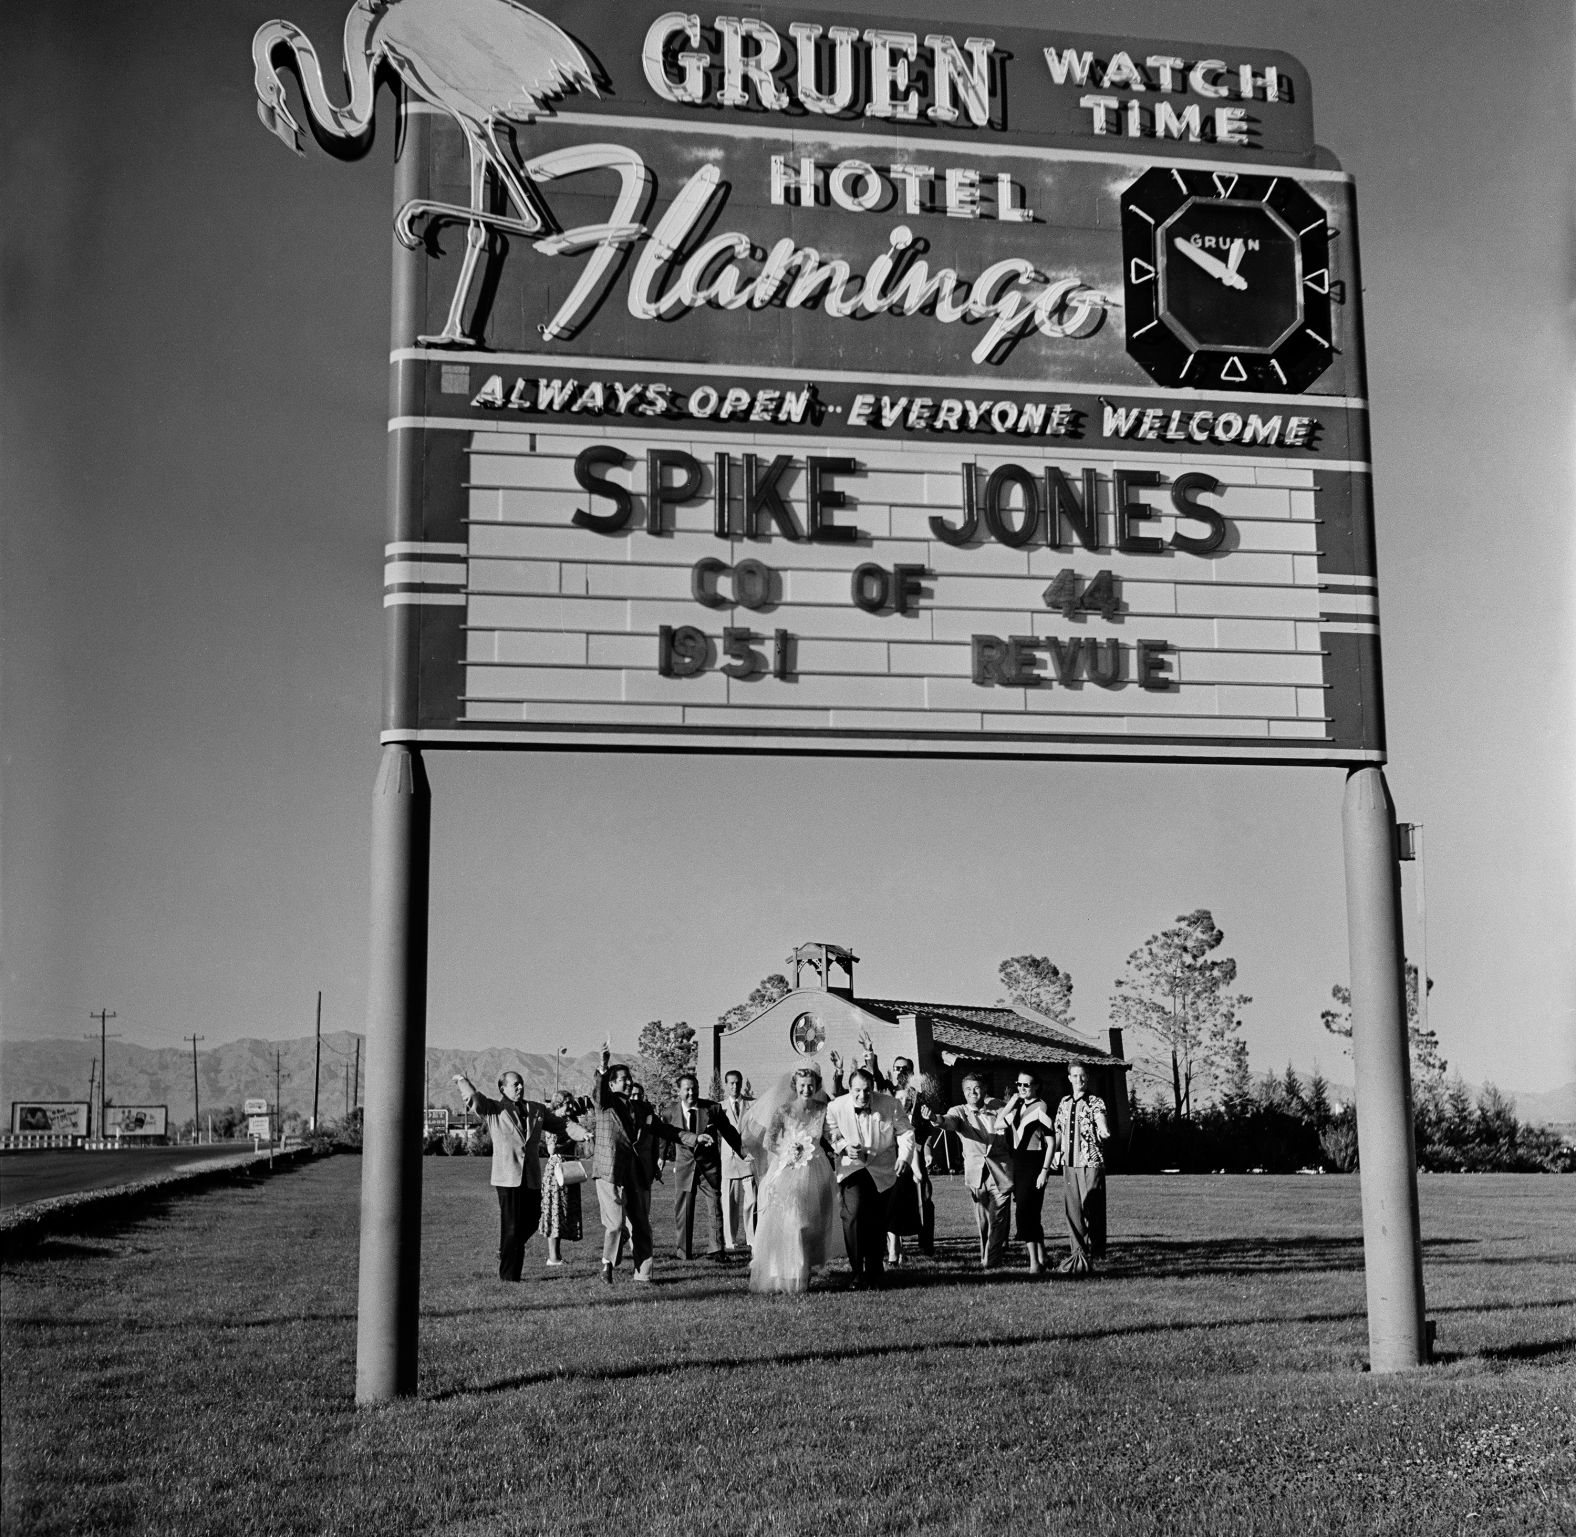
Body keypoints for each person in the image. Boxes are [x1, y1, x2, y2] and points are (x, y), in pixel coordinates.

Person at [452, 1070, 586, 1282]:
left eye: (521, 1083)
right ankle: (509, 1278)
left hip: (530, 1176)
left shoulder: (537, 1109)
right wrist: (462, 1081)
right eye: (515, 1084)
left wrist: (583, 1134)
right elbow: (474, 1099)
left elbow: (563, 1124)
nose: (520, 1087)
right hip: (507, 1177)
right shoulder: (494, 1109)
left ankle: (507, 1248)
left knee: (533, 1218)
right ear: (502, 1088)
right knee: (512, 1225)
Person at [590, 1046, 696, 1285]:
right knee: (616, 1223)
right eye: (622, 1080)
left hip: (635, 1174)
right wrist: (603, 1065)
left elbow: (665, 1130)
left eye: (629, 1078)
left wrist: (694, 1138)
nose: (628, 1083)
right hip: (610, 1173)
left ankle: (643, 1275)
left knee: (641, 1225)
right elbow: (598, 1091)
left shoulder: (642, 1109)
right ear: (611, 1084)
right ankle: (607, 1264)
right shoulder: (605, 1105)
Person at [738, 1065, 838, 1292]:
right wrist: (789, 1150)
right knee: (794, 1221)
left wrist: (846, 1147)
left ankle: (806, 1270)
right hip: (789, 1168)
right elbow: (769, 1141)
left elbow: (833, 1136)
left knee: (814, 1223)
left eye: (811, 1084)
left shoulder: (823, 1109)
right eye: (802, 1085)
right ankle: (790, 1273)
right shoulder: (784, 1110)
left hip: (818, 1171)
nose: (807, 1089)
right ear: (795, 1086)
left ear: (817, 1085)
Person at [824, 1067, 914, 1289]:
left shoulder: (890, 1104)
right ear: (849, 1088)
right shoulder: (835, 1107)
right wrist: (844, 1147)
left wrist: (904, 1157)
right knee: (852, 1215)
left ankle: (874, 1269)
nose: (862, 1096)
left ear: (873, 1088)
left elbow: (905, 1132)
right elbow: (830, 1132)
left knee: (876, 1220)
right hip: (851, 1169)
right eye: (857, 1091)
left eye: (866, 1090)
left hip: (882, 1170)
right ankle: (857, 1272)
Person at [662, 1073, 741, 1260]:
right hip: (684, 1167)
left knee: (715, 1207)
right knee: (683, 1210)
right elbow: (664, 1138)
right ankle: (683, 1252)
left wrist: (743, 1152)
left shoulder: (712, 1109)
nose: (691, 1092)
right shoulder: (669, 1113)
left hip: (709, 1167)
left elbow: (729, 1132)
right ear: (679, 1091)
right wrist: (660, 1158)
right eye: (687, 1089)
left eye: (694, 1088)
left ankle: (716, 1250)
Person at [943, 1073, 1013, 1270]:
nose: (972, 1092)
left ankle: (992, 1260)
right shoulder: (959, 1111)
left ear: (984, 1089)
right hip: (976, 1173)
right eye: (968, 1089)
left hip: (1000, 1169)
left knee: (998, 1217)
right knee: (983, 1220)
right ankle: (987, 1255)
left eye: (976, 1088)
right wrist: (934, 1119)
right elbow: (948, 1121)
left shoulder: (998, 1106)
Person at [1053, 1063, 1111, 1275]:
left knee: (1093, 1207)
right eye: (1075, 1076)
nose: (1079, 1080)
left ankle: (1098, 1251)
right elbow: (1058, 1131)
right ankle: (1077, 1250)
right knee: (1073, 1208)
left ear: (1088, 1078)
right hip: (1069, 1162)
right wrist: (1053, 1154)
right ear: (1069, 1078)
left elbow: (1100, 1119)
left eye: (1083, 1076)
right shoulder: (1064, 1102)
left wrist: (1104, 1130)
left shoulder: (1095, 1101)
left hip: (1090, 1162)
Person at [999, 1069, 1057, 1275]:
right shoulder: (1018, 1107)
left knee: (1026, 1212)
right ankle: (1043, 1257)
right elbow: (998, 1124)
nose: (1022, 1088)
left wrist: (1045, 1171)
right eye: (1019, 1084)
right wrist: (1011, 1102)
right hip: (1018, 1163)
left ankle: (1035, 1263)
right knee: (1029, 1212)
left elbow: (1051, 1142)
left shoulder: (1042, 1107)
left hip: (1034, 1163)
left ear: (1036, 1086)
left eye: (1027, 1085)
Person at [885, 1055, 936, 1264]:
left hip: (916, 1158)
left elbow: (927, 1132)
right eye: (897, 1068)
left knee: (924, 1198)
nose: (900, 1072)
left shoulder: (919, 1099)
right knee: (891, 1203)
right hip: (892, 1159)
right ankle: (894, 1250)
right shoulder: (888, 1099)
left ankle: (926, 1242)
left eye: (904, 1069)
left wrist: (927, 1152)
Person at [538, 1089, 587, 1267]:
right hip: (557, 1170)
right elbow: (551, 1150)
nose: (571, 1106)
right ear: (559, 1104)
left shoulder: (571, 1121)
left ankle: (556, 1255)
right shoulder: (554, 1123)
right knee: (554, 1213)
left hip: (570, 1169)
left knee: (562, 1213)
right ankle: (553, 1257)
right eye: (568, 1103)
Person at [719, 1070, 757, 1252]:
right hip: (728, 1161)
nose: (735, 1086)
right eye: (731, 1083)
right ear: (726, 1084)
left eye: (737, 1083)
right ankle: (730, 1240)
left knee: (752, 1200)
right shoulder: (719, 1107)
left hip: (748, 1160)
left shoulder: (753, 1104)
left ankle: (752, 1238)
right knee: (729, 1204)